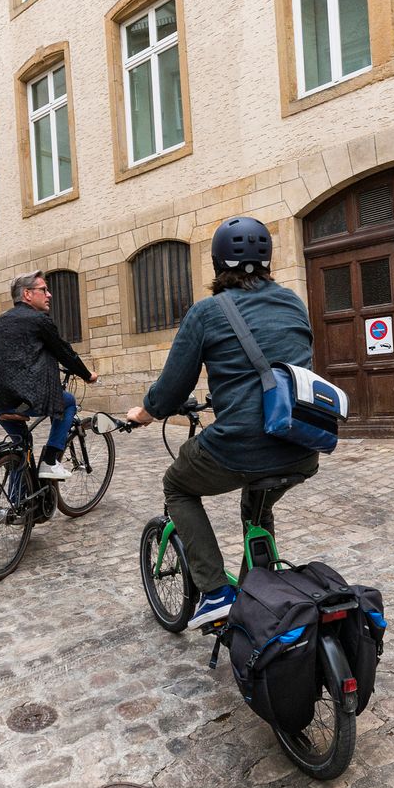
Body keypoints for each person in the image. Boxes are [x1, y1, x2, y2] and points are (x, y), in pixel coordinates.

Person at [127, 216, 318, 628]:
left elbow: (170, 392)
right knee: (257, 505)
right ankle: (259, 591)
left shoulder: (207, 312)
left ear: (217, 264)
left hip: (241, 446)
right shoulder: (293, 302)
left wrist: (143, 414)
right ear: (268, 260)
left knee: (177, 484)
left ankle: (214, 593)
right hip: (301, 445)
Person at [0, 271, 97, 480]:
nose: (49, 294)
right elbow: (64, 351)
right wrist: (87, 375)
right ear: (27, 294)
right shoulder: (39, 320)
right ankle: (50, 461)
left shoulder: (1, 320)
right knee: (68, 402)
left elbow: (17, 354)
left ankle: (19, 505)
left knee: (21, 445)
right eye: (43, 290)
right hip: (22, 398)